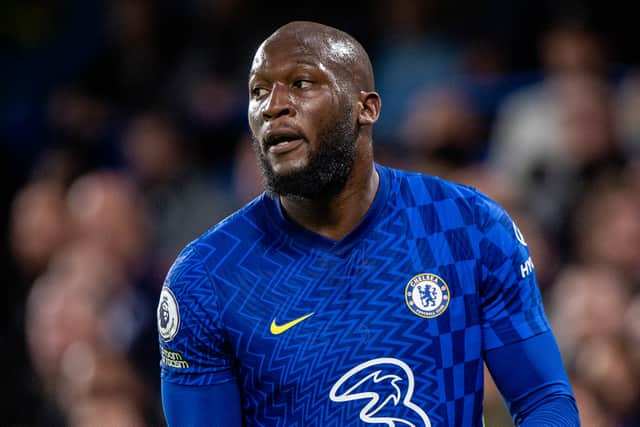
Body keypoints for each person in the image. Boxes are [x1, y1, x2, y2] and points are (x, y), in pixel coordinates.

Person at [157, 21, 579, 426]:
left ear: (366, 108)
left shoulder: (467, 228)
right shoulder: (206, 278)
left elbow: (545, 401)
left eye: (302, 83)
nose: (273, 106)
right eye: (258, 91)